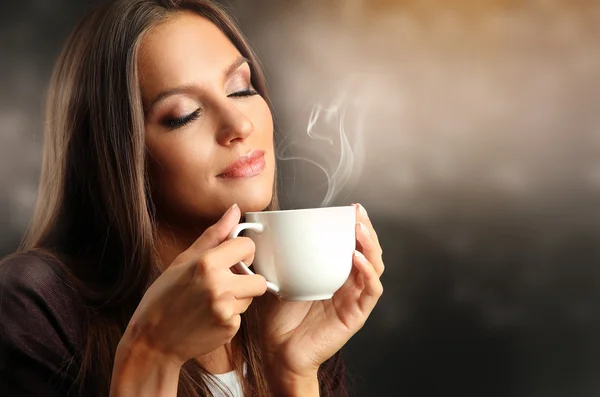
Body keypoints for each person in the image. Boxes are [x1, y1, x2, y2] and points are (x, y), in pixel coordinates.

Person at [0, 0, 384, 396]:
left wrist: (292, 372)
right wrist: (153, 352)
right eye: (184, 114)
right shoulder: (33, 303)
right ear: (117, 156)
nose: (240, 124)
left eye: (241, 89)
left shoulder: (287, 308)